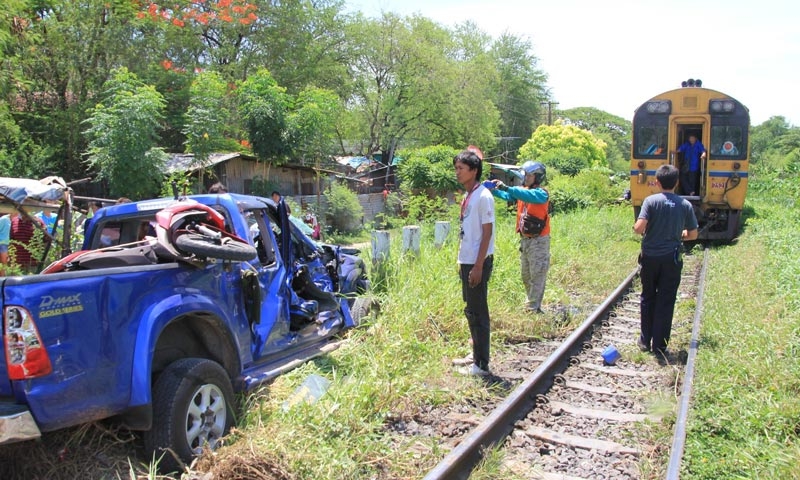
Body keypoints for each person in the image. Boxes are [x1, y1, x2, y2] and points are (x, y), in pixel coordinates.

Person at [633, 164, 698, 358]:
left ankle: (645, 340)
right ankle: (660, 345)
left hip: (650, 257)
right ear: (677, 183)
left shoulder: (650, 201)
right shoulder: (685, 204)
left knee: (647, 297)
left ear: (658, 182)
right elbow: (693, 234)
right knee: (666, 300)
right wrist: (680, 235)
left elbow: (638, 228)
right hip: (671, 259)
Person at [452, 149, 495, 376]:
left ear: (474, 170)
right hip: (467, 260)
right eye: (456, 168)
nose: (457, 173)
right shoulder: (469, 195)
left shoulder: (484, 196)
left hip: (478, 261)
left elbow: (487, 234)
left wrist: (478, 266)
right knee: (471, 310)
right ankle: (475, 356)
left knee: (479, 312)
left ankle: (482, 365)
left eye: (461, 168)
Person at [488, 161, 551, 314]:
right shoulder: (522, 191)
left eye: (529, 175)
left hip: (539, 241)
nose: (526, 178)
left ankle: (533, 308)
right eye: (526, 175)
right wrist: (493, 190)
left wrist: (507, 187)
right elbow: (508, 195)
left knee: (537, 275)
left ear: (537, 177)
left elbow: (525, 195)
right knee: (526, 274)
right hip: (525, 240)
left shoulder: (541, 194)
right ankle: (531, 303)